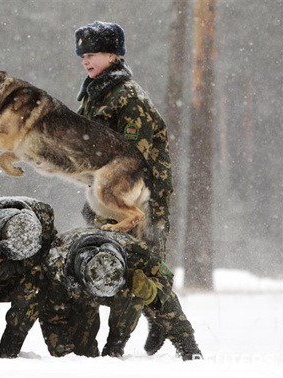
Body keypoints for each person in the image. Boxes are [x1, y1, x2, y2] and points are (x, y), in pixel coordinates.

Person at [74, 21, 202, 359]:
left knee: (144, 272)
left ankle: (185, 344)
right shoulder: (95, 92)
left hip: (139, 199)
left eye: (94, 54)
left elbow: (133, 159)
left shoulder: (127, 96)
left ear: (114, 55)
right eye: (83, 55)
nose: (87, 61)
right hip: (110, 198)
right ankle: (126, 337)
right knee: (112, 264)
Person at [39, 227, 174, 358]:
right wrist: (61, 349)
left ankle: (116, 346)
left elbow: (166, 277)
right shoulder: (57, 265)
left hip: (123, 291)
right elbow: (52, 315)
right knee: (80, 353)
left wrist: (150, 291)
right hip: (80, 294)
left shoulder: (136, 252)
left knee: (140, 293)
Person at [0, 196, 56, 358]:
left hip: (20, 281)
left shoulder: (44, 218)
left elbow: (50, 259)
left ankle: (9, 349)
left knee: (39, 281)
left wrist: (19, 265)